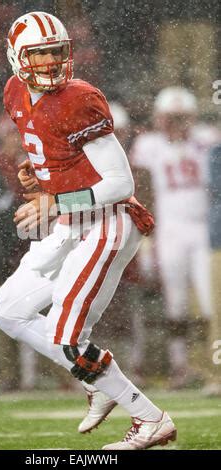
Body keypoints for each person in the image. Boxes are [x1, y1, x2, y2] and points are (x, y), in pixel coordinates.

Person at [0, 11, 176, 450]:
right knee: (10, 310)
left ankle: (149, 418)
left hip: (108, 222)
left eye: (57, 52)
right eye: (39, 55)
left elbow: (120, 185)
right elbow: (56, 151)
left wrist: (55, 199)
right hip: (72, 221)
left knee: (68, 336)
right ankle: (93, 377)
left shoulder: (79, 99)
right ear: (17, 58)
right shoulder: (15, 91)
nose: (51, 63)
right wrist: (40, 174)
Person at [131, 87, 220, 389]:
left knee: (210, 304)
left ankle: (210, 367)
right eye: (172, 118)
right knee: (176, 305)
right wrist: (146, 233)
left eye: (182, 118)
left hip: (203, 231)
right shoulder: (149, 145)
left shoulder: (206, 140)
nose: (177, 124)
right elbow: (141, 188)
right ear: (159, 119)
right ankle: (181, 367)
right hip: (170, 231)